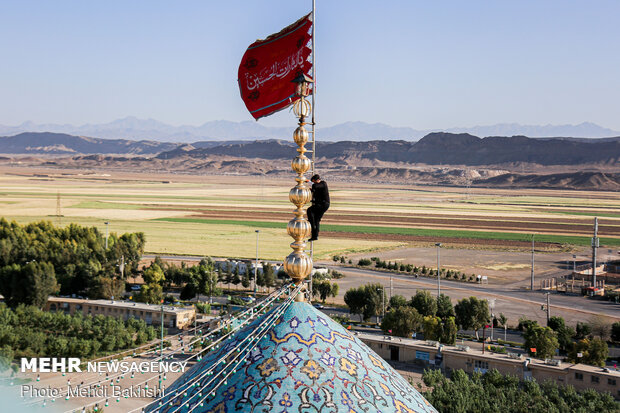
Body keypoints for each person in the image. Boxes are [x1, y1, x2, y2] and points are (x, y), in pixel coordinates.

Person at [307, 174, 329, 241]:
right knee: (316, 220)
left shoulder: (323, 184)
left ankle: (311, 221)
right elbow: (315, 188)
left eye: (314, 181)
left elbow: (316, 186)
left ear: (317, 180)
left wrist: (311, 184)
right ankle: (314, 236)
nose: (313, 183)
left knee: (310, 210)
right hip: (320, 204)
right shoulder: (318, 186)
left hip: (323, 204)